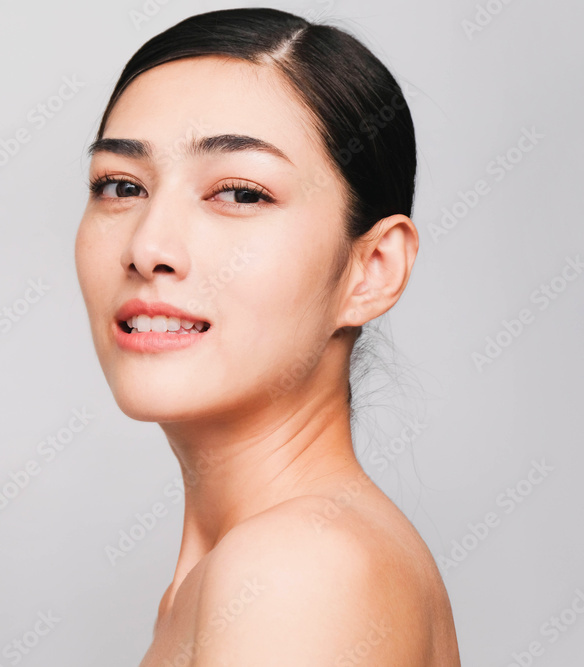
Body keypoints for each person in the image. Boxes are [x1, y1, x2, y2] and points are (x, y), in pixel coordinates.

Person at [73, 8, 461, 665]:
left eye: (240, 194)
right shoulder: (249, 569)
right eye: (120, 185)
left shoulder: (296, 569)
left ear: (373, 268)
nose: (148, 246)